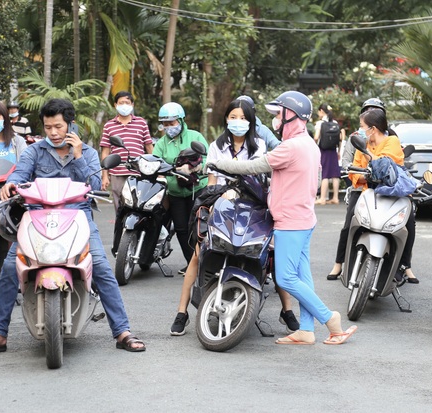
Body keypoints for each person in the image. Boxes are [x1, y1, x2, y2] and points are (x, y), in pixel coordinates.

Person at [0, 98, 145, 356]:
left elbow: (96, 186)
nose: (53, 133)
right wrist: (11, 184)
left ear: (70, 125)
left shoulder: (86, 152)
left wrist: (77, 157)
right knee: (10, 266)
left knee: (101, 266)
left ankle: (122, 332)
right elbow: (20, 175)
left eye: (59, 127)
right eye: (48, 127)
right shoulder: (34, 150)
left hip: (78, 214)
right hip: (37, 214)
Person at [208, 91, 357, 345]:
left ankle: (330, 319)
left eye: (279, 114)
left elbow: (253, 166)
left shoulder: (292, 147)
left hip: (291, 221)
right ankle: (306, 331)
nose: (276, 119)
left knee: (285, 277)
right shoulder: (308, 143)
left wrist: (219, 163)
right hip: (304, 217)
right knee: (302, 276)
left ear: (292, 116)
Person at [169, 98, 299, 335]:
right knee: (197, 256)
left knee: (272, 256)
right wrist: (220, 196)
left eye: (243, 118)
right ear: (226, 119)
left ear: (251, 121)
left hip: (254, 208)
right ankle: (182, 312)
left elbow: (262, 179)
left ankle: (287, 310)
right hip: (223, 207)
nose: (238, 122)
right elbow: (211, 184)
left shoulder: (259, 146)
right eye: (233, 117)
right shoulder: (215, 146)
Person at [327, 98, 419, 282]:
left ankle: (404, 265)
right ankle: (340, 263)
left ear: (375, 124)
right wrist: (362, 173)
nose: (362, 127)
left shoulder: (392, 140)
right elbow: (354, 171)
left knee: (408, 223)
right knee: (350, 222)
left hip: (393, 191)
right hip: (364, 189)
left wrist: (370, 165)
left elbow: (384, 167)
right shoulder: (360, 141)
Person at [152, 102, 209, 275]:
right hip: (175, 192)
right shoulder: (161, 143)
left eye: (173, 123)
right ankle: (191, 263)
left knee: (200, 228)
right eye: (166, 124)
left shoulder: (195, 136)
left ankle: (206, 263)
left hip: (198, 189)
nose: (169, 127)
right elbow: (155, 162)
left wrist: (195, 168)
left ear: (181, 120)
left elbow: (207, 158)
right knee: (181, 228)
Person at [100, 91, 153, 212]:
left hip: (138, 171)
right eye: (121, 103)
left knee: (138, 204)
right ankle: (120, 229)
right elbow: (105, 152)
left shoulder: (141, 123)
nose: (124, 105)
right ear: (115, 105)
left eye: (127, 102)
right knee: (119, 207)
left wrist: (153, 169)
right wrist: (104, 176)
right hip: (117, 172)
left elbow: (149, 148)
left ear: (132, 105)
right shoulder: (109, 125)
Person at [314, 103, 341, 205]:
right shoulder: (335, 122)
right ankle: (335, 198)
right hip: (333, 150)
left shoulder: (320, 123)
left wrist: (314, 145)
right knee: (335, 174)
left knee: (325, 173)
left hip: (323, 150)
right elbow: (340, 138)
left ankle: (322, 198)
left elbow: (316, 137)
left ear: (321, 110)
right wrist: (339, 151)